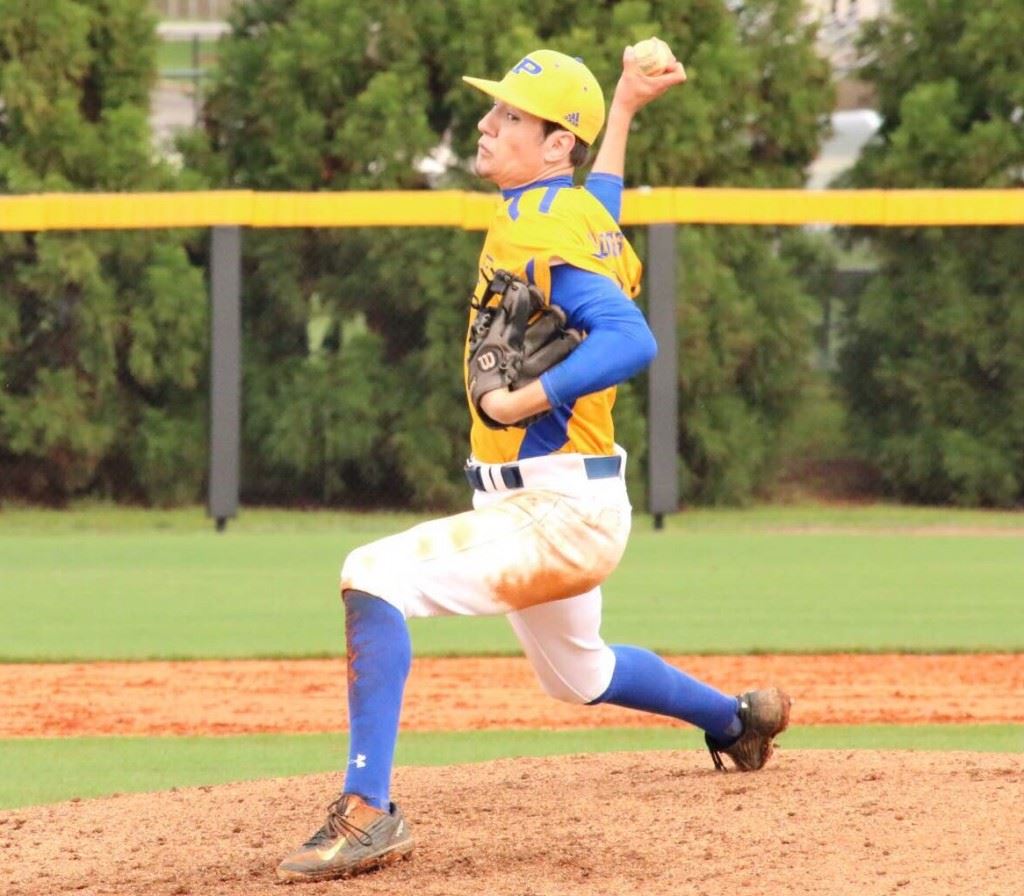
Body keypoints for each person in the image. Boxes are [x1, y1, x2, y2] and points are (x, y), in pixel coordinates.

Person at [276, 45, 790, 884]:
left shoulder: (546, 219)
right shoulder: (568, 209)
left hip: (557, 512)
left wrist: (524, 400)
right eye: (496, 109)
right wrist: (621, 109)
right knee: (578, 676)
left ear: (556, 145)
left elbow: (633, 337)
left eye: (511, 115)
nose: (488, 123)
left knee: (371, 574)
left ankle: (368, 811)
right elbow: (604, 210)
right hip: (551, 507)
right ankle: (736, 720)